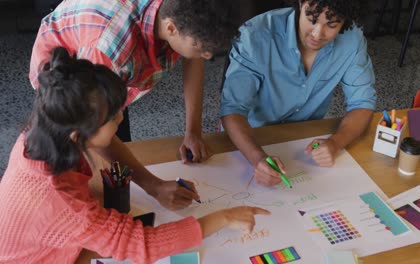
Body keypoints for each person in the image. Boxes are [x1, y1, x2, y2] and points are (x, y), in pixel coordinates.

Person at [0, 48, 270, 263]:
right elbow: (143, 246)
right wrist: (223, 217)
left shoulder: (40, 134)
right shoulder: (63, 205)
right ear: (78, 135)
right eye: (112, 116)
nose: (121, 118)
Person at [29, 0, 240, 210]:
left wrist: (193, 131)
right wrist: (154, 186)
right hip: (67, 73)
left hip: (108, 64)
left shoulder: (182, 15)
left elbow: (193, 55)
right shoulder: (111, 52)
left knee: (117, 143)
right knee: (94, 155)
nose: (208, 55)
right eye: (201, 48)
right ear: (171, 29)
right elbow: (97, 129)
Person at [220, 0, 377, 186]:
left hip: (304, 140)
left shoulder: (352, 39)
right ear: (301, 3)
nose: (317, 34)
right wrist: (257, 158)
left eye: (332, 24)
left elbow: (363, 103)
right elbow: (233, 109)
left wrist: (336, 143)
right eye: (311, 18)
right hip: (250, 137)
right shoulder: (255, 34)